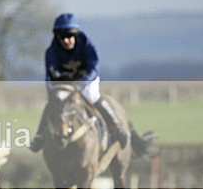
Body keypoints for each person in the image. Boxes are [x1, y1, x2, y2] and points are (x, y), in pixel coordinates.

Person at [29, 13, 130, 152]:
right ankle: (39, 136)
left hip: (86, 80)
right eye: (62, 37)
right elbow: (49, 77)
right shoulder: (51, 52)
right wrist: (51, 93)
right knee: (54, 103)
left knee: (92, 96)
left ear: (75, 35)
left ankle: (117, 128)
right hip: (65, 83)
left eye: (69, 36)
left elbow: (94, 68)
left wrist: (82, 84)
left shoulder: (87, 46)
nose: (66, 40)